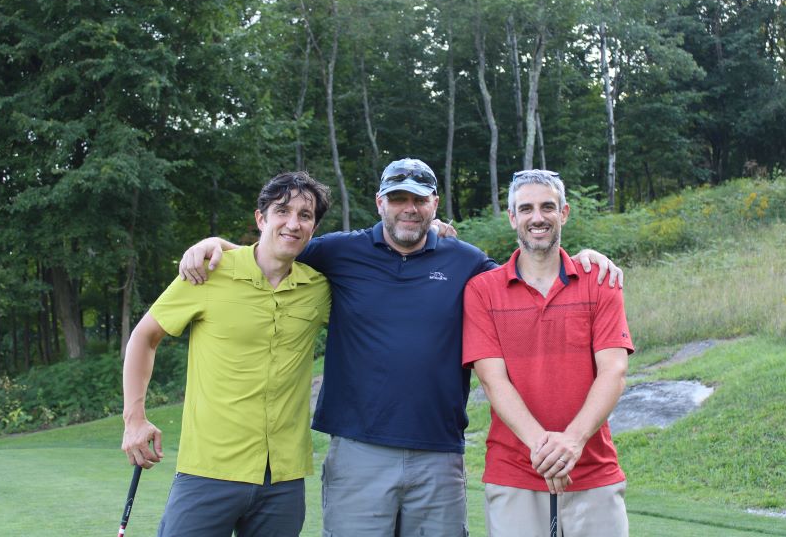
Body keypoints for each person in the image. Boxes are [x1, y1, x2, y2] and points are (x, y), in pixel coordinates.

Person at [179, 158, 623, 537]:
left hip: (439, 453)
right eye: (398, 199)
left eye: (419, 199)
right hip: (359, 450)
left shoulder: (465, 261)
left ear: (434, 204)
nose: (409, 208)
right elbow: (273, 253)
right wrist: (217, 246)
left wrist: (584, 259)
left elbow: (528, 270)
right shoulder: (338, 252)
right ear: (380, 203)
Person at [121, 171, 332, 537]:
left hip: (283, 479)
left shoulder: (319, 288)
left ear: (313, 227)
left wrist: (433, 237)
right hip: (208, 471)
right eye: (282, 211)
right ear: (261, 218)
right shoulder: (208, 271)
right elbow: (144, 337)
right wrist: (133, 419)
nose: (293, 223)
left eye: (305, 215)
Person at [462, 169, 634, 537]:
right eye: (526, 209)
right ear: (512, 218)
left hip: (592, 471)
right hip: (515, 473)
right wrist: (547, 450)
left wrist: (573, 441)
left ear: (564, 213)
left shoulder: (600, 282)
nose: (537, 218)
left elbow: (614, 371)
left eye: (547, 207)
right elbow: (493, 381)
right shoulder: (482, 290)